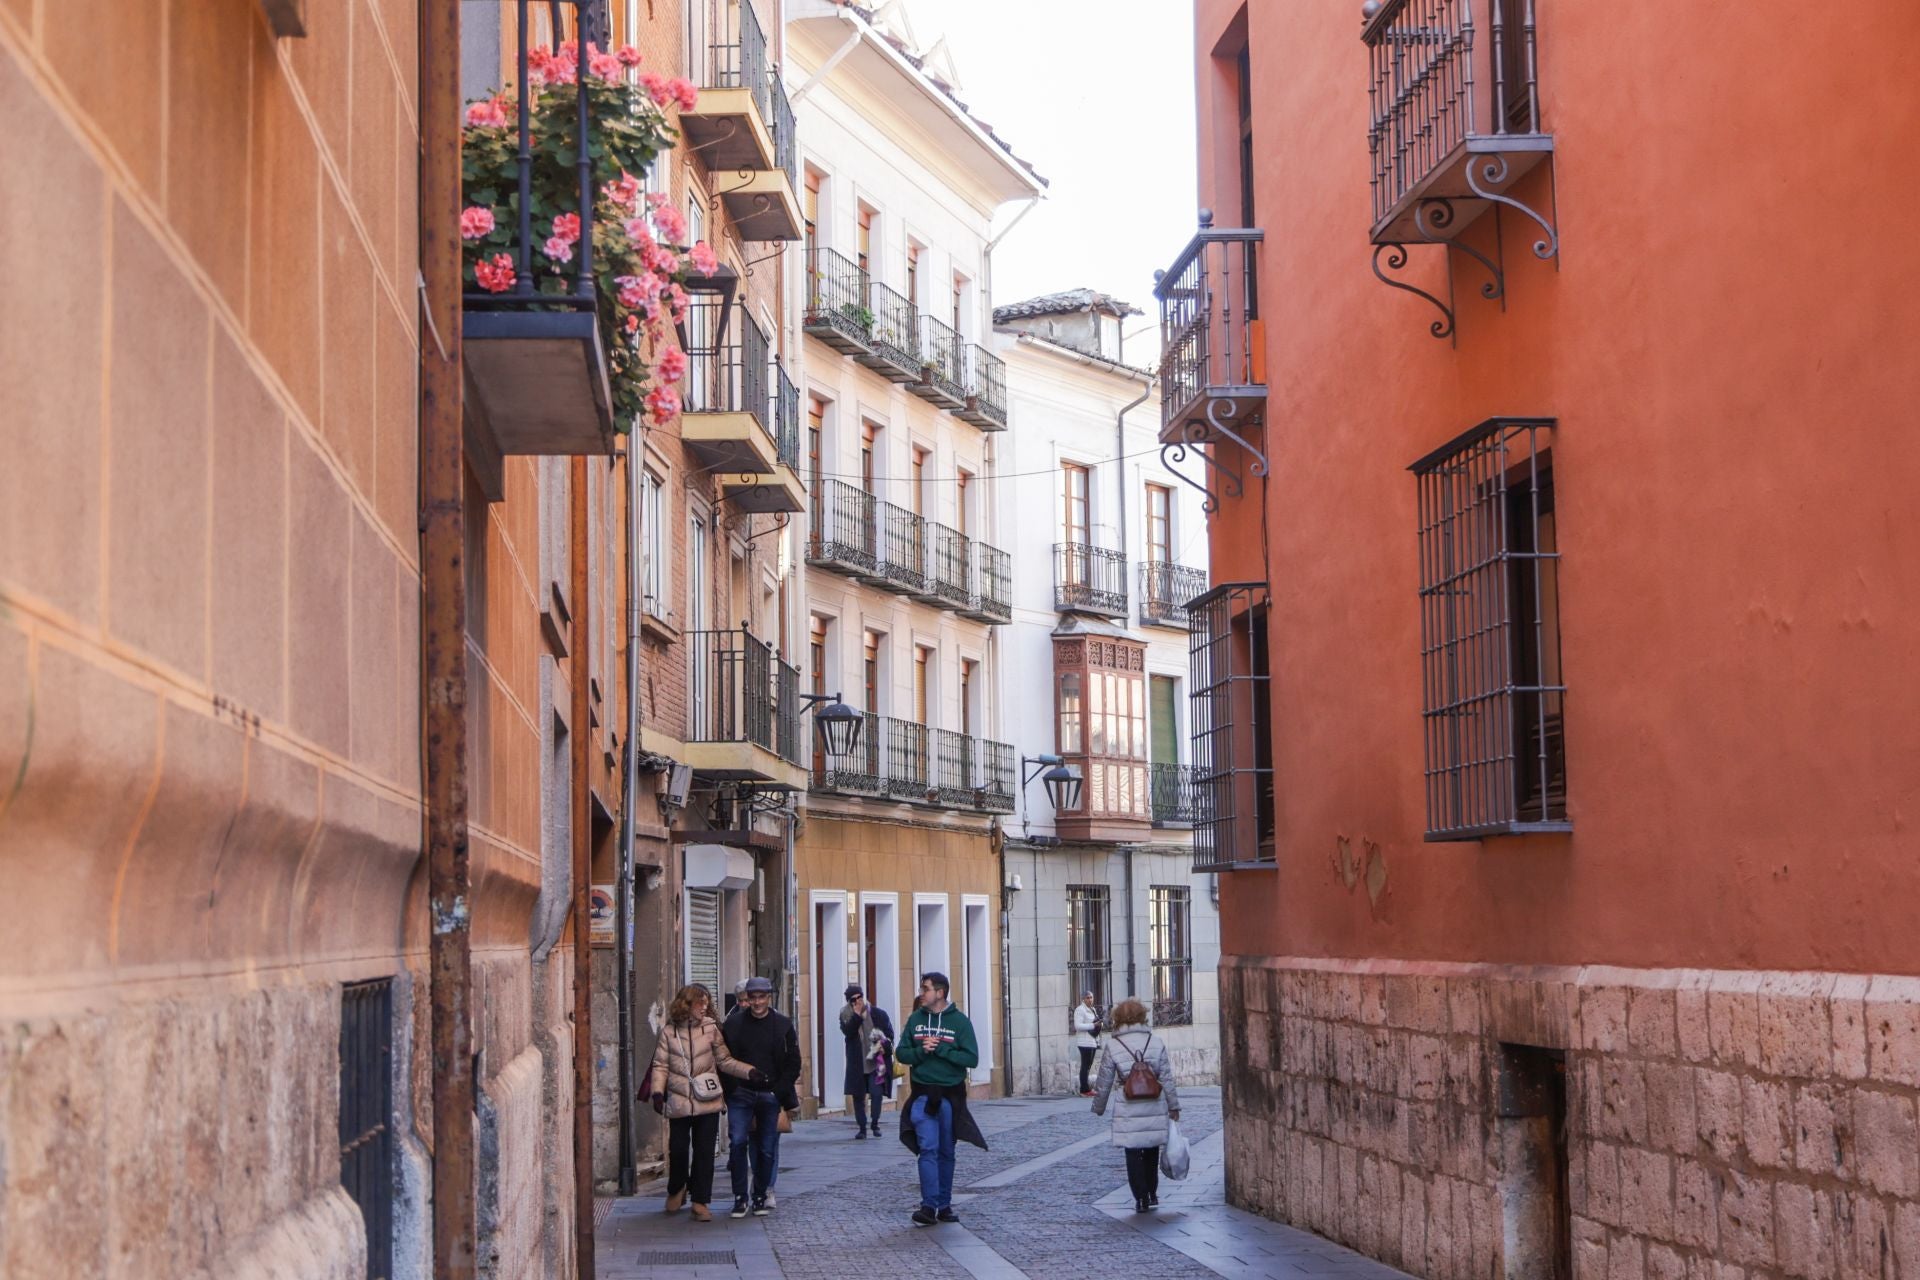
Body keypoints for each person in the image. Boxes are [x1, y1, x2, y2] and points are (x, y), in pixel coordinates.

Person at [642, 984, 763, 1222]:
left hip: (707, 1100)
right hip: (678, 1100)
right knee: (677, 1150)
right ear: (687, 1004)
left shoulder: (711, 1029)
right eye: (700, 1002)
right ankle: (677, 1188)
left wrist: (749, 1072)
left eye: (706, 1003)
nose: (704, 1007)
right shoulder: (669, 1032)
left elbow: (725, 1060)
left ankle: (700, 1201)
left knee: (704, 1152)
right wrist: (657, 1092)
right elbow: (660, 1065)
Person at [894, 971, 985, 1227]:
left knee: (946, 1150)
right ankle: (928, 1205)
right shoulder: (916, 1020)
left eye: (925, 988)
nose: (921, 993)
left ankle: (944, 1204)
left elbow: (971, 1059)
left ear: (940, 992)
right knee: (928, 1148)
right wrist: (921, 1050)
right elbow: (901, 1052)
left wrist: (943, 1049)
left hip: (950, 1096)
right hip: (923, 1095)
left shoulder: (960, 1023)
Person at [719, 975, 801, 1218]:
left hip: (770, 1094)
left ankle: (760, 1195)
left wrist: (779, 1091)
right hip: (741, 1094)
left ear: (768, 998)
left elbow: (793, 1063)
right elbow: (724, 1060)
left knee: (766, 1148)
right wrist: (731, 1089)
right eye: (752, 998)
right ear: (746, 999)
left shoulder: (783, 1025)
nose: (756, 1002)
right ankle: (739, 1196)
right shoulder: (733, 1025)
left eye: (761, 997)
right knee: (737, 1142)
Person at [1090, 997, 1180, 1214]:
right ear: (1142, 1017)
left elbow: (1104, 1080)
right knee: (1150, 1149)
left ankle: (1139, 1197)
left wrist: (1099, 1106)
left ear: (1118, 1019)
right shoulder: (1155, 1042)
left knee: (1132, 1151)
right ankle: (1151, 1192)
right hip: (1154, 1101)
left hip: (1128, 1103)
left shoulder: (1113, 1045)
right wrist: (1173, 1106)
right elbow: (1166, 1078)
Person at [837, 983, 894, 1138]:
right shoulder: (846, 1016)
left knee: (876, 1093)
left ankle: (875, 1123)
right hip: (857, 1063)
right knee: (858, 1096)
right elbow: (848, 1032)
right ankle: (862, 1128)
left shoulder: (878, 1014)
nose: (857, 1002)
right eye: (853, 1000)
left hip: (876, 1063)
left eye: (859, 997)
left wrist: (885, 1047)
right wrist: (856, 1016)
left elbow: (890, 1035)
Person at [1072, 992, 1101, 1096]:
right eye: (1087, 998)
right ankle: (1084, 1090)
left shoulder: (1093, 1009)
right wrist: (1093, 1025)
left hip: (1092, 1041)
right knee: (1085, 1066)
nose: (1090, 999)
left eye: (1091, 997)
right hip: (1084, 1042)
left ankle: (1086, 1089)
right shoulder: (1080, 1010)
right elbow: (1078, 1026)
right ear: (1083, 999)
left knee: (1088, 1066)